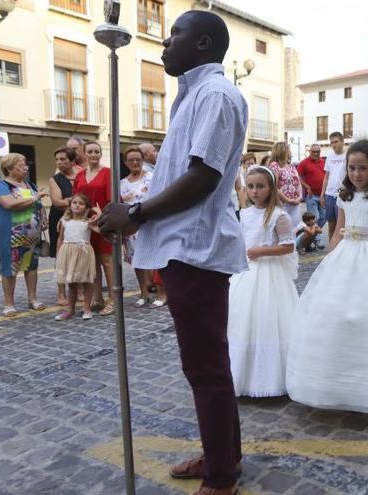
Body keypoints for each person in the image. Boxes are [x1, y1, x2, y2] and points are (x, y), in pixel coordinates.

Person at [97, 10, 248, 495]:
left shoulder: (216, 95)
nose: (164, 42)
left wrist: (137, 213)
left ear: (203, 43)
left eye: (175, 34)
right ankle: (223, 453)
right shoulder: (194, 95)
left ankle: (222, 477)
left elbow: (202, 178)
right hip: (183, 248)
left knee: (206, 367)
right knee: (207, 365)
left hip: (196, 249)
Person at [286, 139, 368, 415]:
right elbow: (337, 232)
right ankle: (335, 383)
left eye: (362, 169)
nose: (356, 174)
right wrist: (329, 263)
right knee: (336, 315)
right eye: (352, 168)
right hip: (346, 255)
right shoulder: (345, 197)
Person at [228, 166, 298, 397]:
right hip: (246, 273)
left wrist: (263, 251)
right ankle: (242, 374)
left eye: (260, 186)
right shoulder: (245, 214)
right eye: (251, 187)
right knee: (243, 319)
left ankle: (273, 376)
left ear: (270, 188)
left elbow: (288, 246)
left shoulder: (279, 215)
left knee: (269, 320)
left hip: (269, 273)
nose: (255, 191)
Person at [0, 153, 48, 317]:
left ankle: (33, 299)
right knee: (10, 267)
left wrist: (42, 216)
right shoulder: (1, 185)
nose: (26, 167)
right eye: (21, 165)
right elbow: (9, 204)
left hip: (32, 233)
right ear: (9, 168)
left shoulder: (29, 185)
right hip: (11, 233)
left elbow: (38, 204)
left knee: (32, 266)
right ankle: (9, 303)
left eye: (26, 164)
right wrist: (34, 198)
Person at [73, 140, 115, 316]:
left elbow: (113, 199)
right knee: (93, 262)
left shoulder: (107, 173)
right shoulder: (80, 175)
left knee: (108, 262)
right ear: (84, 153)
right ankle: (97, 297)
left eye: (96, 151)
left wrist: (101, 215)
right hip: (85, 224)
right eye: (90, 151)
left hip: (103, 222)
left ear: (100, 154)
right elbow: (76, 198)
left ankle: (113, 300)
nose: (93, 155)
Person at [120, 147, 159, 308]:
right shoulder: (122, 183)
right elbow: (122, 206)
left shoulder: (152, 177)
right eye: (131, 160)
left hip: (151, 224)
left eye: (138, 159)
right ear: (126, 163)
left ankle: (161, 293)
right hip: (132, 228)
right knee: (137, 262)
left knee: (156, 260)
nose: (135, 162)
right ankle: (144, 293)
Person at [54, 194, 97, 321]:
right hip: (68, 252)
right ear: (70, 205)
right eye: (74, 202)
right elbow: (60, 239)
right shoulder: (64, 221)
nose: (77, 205)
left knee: (87, 281)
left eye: (81, 203)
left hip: (84, 252)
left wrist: (97, 215)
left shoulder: (87, 222)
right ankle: (70, 310)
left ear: (86, 207)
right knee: (71, 282)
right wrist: (58, 255)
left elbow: (100, 230)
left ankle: (87, 308)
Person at [48, 147, 79, 306]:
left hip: (79, 221)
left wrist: (69, 200)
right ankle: (61, 293)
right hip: (60, 220)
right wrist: (76, 202)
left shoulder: (81, 175)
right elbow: (56, 202)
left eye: (63, 159)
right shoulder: (55, 179)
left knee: (78, 253)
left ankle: (78, 290)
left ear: (73, 161)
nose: (59, 162)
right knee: (61, 255)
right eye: (57, 159)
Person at [268, 141, 302, 235]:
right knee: (283, 230)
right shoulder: (274, 166)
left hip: (294, 203)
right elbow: (274, 186)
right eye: (289, 149)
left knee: (294, 229)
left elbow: (298, 183)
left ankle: (293, 248)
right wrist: (288, 200)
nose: (290, 152)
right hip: (282, 203)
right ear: (283, 151)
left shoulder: (291, 166)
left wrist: (299, 197)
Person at [297, 145, 326, 247]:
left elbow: (327, 176)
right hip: (311, 196)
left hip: (322, 195)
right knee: (315, 218)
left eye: (318, 151)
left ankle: (313, 237)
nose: (316, 153)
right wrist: (307, 187)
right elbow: (298, 177)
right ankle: (316, 240)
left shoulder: (323, 162)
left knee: (324, 217)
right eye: (314, 151)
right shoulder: (304, 163)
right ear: (310, 152)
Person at [320, 132, 346, 244]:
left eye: (336, 142)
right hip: (329, 194)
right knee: (331, 224)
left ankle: (342, 250)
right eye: (331, 143)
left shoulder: (348, 156)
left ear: (342, 142)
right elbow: (326, 177)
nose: (333, 145)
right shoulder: (329, 157)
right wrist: (322, 194)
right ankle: (332, 250)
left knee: (342, 227)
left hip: (342, 195)